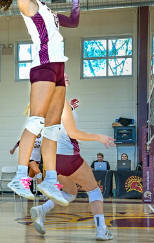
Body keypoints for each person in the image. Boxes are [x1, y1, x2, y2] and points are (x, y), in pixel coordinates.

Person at [0, 0, 81, 204]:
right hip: (44, 67)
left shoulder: (47, 11)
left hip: (59, 68)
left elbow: (73, 21)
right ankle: (20, 176)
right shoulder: (26, 4)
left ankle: (50, 179)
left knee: (52, 128)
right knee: (37, 122)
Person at [29, 99, 115, 240]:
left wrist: (71, 108)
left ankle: (41, 210)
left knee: (70, 193)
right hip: (66, 156)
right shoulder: (61, 102)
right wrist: (98, 137)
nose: (66, 77)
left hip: (52, 159)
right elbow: (73, 133)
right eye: (63, 75)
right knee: (94, 190)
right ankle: (101, 230)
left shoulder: (45, 102)